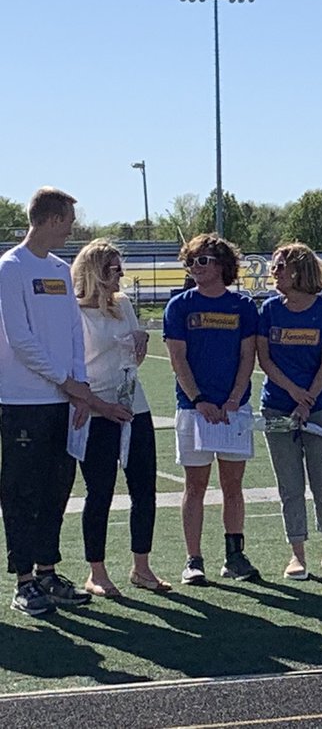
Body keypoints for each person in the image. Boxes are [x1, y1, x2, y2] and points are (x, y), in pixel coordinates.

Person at [0, 187, 121, 615]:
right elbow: (21, 340)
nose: (73, 227)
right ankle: (24, 581)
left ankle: (48, 572)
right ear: (51, 220)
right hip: (22, 401)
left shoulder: (60, 269)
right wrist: (68, 383)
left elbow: (74, 333)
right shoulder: (10, 268)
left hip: (66, 400)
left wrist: (79, 388)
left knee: (57, 488)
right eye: (68, 219)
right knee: (22, 492)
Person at [73, 240, 170, 596]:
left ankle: (141, 568)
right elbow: (74, 369)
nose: (122, 275)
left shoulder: (124, 305)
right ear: (96, 271)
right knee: (99, 492)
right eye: (114, 269)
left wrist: (140, 343)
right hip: (96, 409)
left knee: (144, 489)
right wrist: (102, 406)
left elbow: (132, 360)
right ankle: (96, 572)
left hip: (134, 407)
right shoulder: (75, 312)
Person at [163, 234, 260, 585]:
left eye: (202, 260)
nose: (195, 267)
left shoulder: (243, 306)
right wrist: (199, 399)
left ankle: (235, 556)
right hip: (193, 410)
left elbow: (248, 355)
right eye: (191, 261)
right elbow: (178, 358)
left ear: (222, 264)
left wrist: (234, 398)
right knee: (195, 486)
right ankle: (194, 559)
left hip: (235, 408)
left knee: (233, 485)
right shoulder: (179, 306)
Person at [256, 243, 322, 580]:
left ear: (298, 270)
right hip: (277, 407)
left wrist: (308, 398)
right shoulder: (268, 310)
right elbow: (263, 359)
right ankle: (297, 554)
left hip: (320, 407)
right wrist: (293, 393)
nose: (274, 271)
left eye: (279, 266)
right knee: (289, 485)